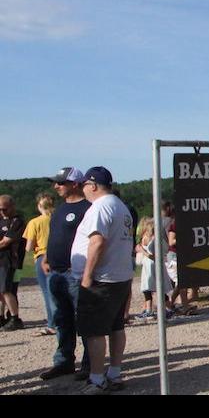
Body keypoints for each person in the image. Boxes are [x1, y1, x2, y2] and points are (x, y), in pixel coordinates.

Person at [71, 167, 135, 393]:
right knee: (116, 327)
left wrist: (87, 277)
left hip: (102, 279)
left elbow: (97, 242)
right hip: (120, 276)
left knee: (95, 331)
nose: (84, 190)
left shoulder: (100, 206)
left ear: (94, 185)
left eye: (85, 185)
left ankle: (97, 379)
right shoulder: (120, 206)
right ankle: (114, 373)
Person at [39, 167, 92, 381]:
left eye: (61, 183)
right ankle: (64, 361)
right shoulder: (60, 209)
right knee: (62, 319)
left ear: (75, 184)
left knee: (84, 319)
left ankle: (90, 363)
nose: (56, 186)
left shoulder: (88, 208)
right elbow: (55, 236)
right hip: (56, 272)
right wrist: (46, 256)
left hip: (75, 273)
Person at [24, 194, 57, 335]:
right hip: (58, 256)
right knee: (58, 291)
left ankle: (52, 323)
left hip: (42, 256)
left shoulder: (34, 222)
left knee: (47, 292)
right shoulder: (56, 219)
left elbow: (29, 246)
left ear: (39, 206)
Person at [0, 196, 27, 331]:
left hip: (10, 261)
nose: (2, 212)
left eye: (4, 209)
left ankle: (15, 318)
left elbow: (6, 241)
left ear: (12, 206)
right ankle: (2, 317)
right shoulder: (1, 220)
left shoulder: (17, 222)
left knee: (7, 290)